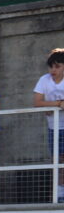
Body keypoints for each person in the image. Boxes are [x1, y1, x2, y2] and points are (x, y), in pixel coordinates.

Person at [32, 48, 64, 202]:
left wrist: (49, 106)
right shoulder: (44, 80)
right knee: (56, 160)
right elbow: (37, 102)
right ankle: (59, 193)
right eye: (51, 66)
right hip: (54, 127)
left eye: (57, 66)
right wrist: (57, 104)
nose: (53, 70)